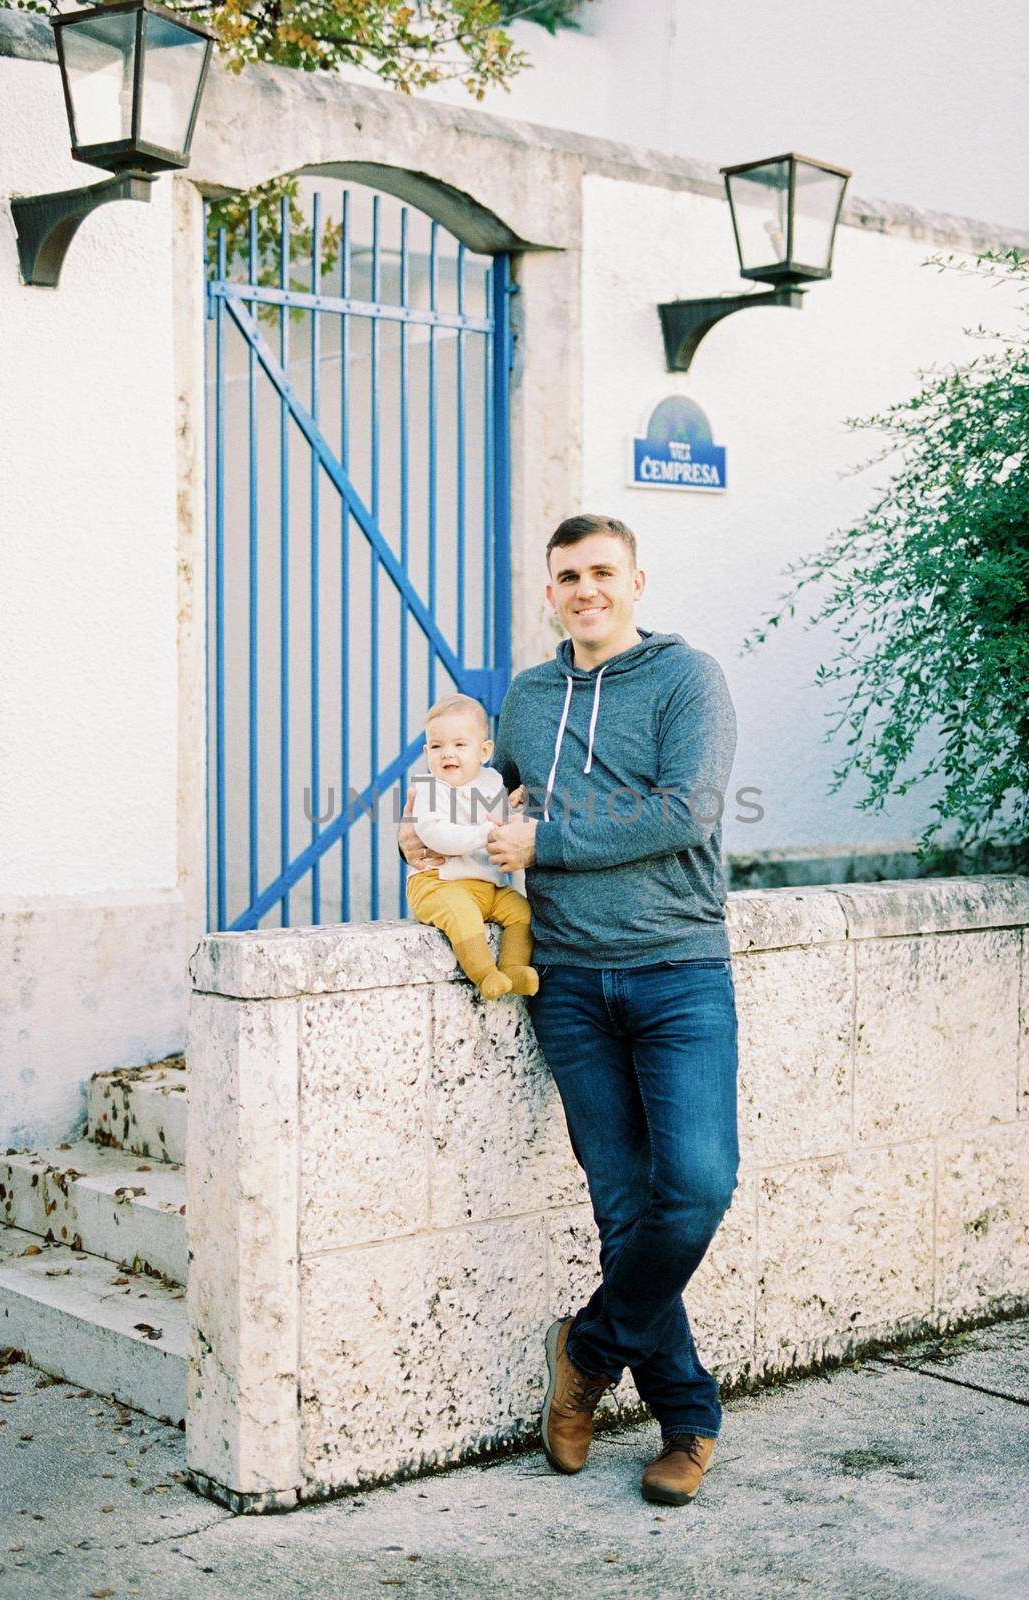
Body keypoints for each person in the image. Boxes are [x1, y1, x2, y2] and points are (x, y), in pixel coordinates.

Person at [399, 513, 738, 1508]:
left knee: (697, 1185)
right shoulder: (531, 695)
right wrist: (430, 842)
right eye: (566, 575)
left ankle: (585, 1348)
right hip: (571, 983)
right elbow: (493, 806)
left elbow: (685, 810)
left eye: (602, 571)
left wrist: (542, 845)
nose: (585, 588)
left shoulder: (688, 680)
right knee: (625, 1204)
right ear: (548, 593)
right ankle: (686, 1417)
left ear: (635, 581)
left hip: (678, 968)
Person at [405, 693, 537, 1000]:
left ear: (484, 751)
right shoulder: (430, 788)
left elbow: (501, 823)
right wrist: (486, 832)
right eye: (437, 747)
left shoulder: (491, 782)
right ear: (427, 752)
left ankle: (513, 968)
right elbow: (436, 834)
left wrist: (514, 810)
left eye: (459, 745)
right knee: (462, 914)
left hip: (488, 886)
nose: (447, 754)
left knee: (522, 912)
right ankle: (485, 974)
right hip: (439, 883)